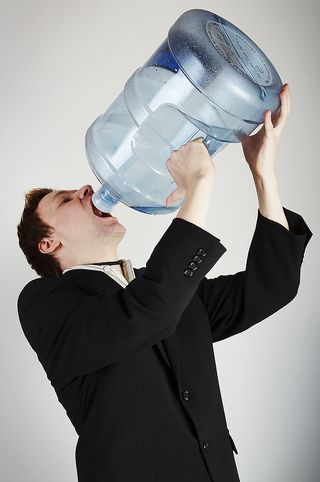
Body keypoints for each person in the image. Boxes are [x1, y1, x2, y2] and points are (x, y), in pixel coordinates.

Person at [17, 84, 312, 482]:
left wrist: (263, 175)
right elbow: (147, 312)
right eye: (66, 199)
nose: (85, 188)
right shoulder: (45, 303)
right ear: (48, 242)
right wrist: (199, 185)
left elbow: (270, 288)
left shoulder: (167, 291)